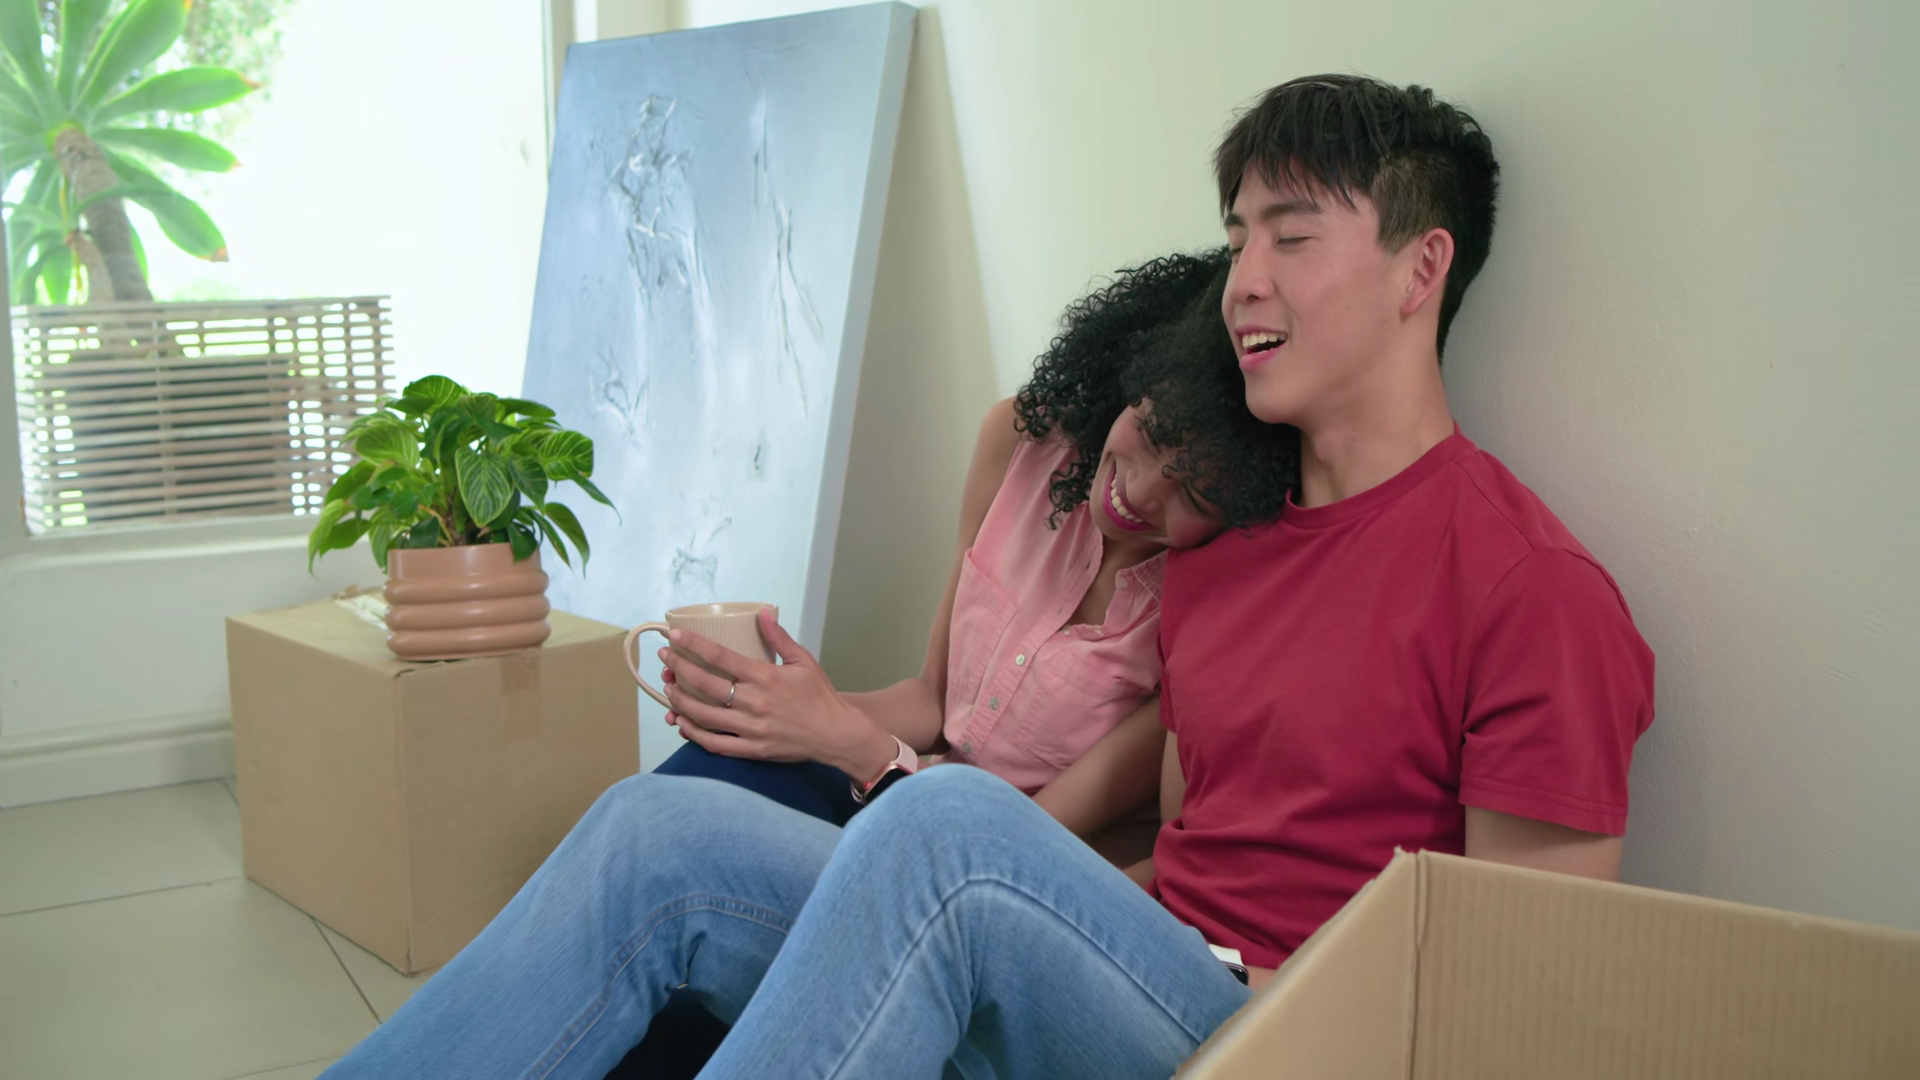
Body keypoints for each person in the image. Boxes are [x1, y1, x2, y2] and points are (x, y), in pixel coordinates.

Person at [321, 74, 1655, 1080]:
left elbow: (1519, 1003)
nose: (1243, 280)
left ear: (1424, 269)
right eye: (1238, 235)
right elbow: (1193, 852)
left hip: (1290, 1038)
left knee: (947, 828)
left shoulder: (1527, 589)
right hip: (1150, 979)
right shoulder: (1225, 556)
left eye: (1291, 238)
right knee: (657, 836)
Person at [615, 249, 1294, 1076]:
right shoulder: (1022, 444)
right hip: (900, 787)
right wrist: (780, 708)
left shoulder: (1197, 613)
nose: (1142, 492)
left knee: (696, 935)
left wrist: (840, 737)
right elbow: (934, 701)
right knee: (699, 780)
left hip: (998, 871)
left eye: (1194, 494)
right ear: (1131, 380)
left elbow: (1013, 841)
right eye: (1150, 436)